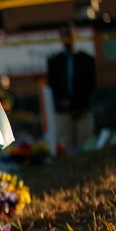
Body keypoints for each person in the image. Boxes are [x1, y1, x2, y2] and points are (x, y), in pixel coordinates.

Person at [46, 23, 96, 153]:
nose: (67, 38)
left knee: (86, 147)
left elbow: (90, 85)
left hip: (82, 110)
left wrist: (76, 103)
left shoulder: (86, 60)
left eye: (69, 34)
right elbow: (52, 85)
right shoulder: (55, 62)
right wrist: (63, 102)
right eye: (64, 35)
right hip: (63, 112)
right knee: (65, 147)